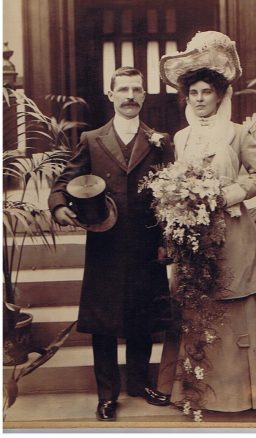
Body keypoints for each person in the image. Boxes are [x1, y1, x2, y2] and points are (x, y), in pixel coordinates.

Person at [48, 66, 174, 421]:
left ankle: (138, 382)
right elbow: (64, 182)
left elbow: (172, 198)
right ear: (111, 95)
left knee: (143, 316)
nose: (130, 96)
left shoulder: (160, 141)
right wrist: (59, 207)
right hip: (105, 243)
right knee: (103, 321)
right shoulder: (92, 140)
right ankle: (106, 394)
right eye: (123, 90)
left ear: (145, 96)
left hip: (147, 243)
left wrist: (166, 240)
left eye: (137, 89)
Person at [157, 31, 256, 412]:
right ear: (186, 97)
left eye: (207, 92)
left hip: (232, 233)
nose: (200, 98)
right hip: (193, 236)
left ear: (220, 95)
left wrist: (227, 194)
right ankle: (193, 396)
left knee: (230, 306)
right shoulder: (181, 138)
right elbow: (177, 182)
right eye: (194, 93)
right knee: (195, 305)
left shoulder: (238, 134)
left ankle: (238, 397)